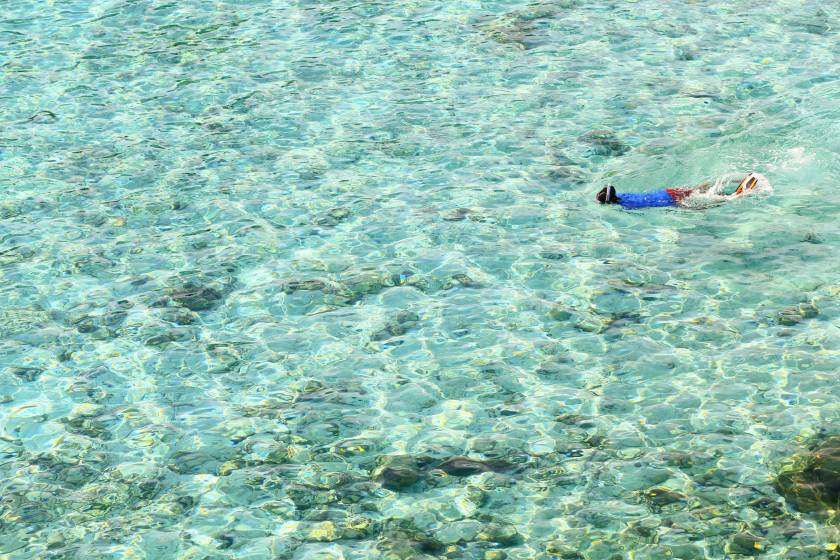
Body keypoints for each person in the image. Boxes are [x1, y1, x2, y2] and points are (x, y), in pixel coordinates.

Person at [596, 173, 761, 209]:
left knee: (703, 206)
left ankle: (735, 196)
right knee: (699, 190)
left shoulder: (626, 206)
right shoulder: (622, 195)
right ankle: (730, 178)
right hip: (667, 192)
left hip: (669, 200)